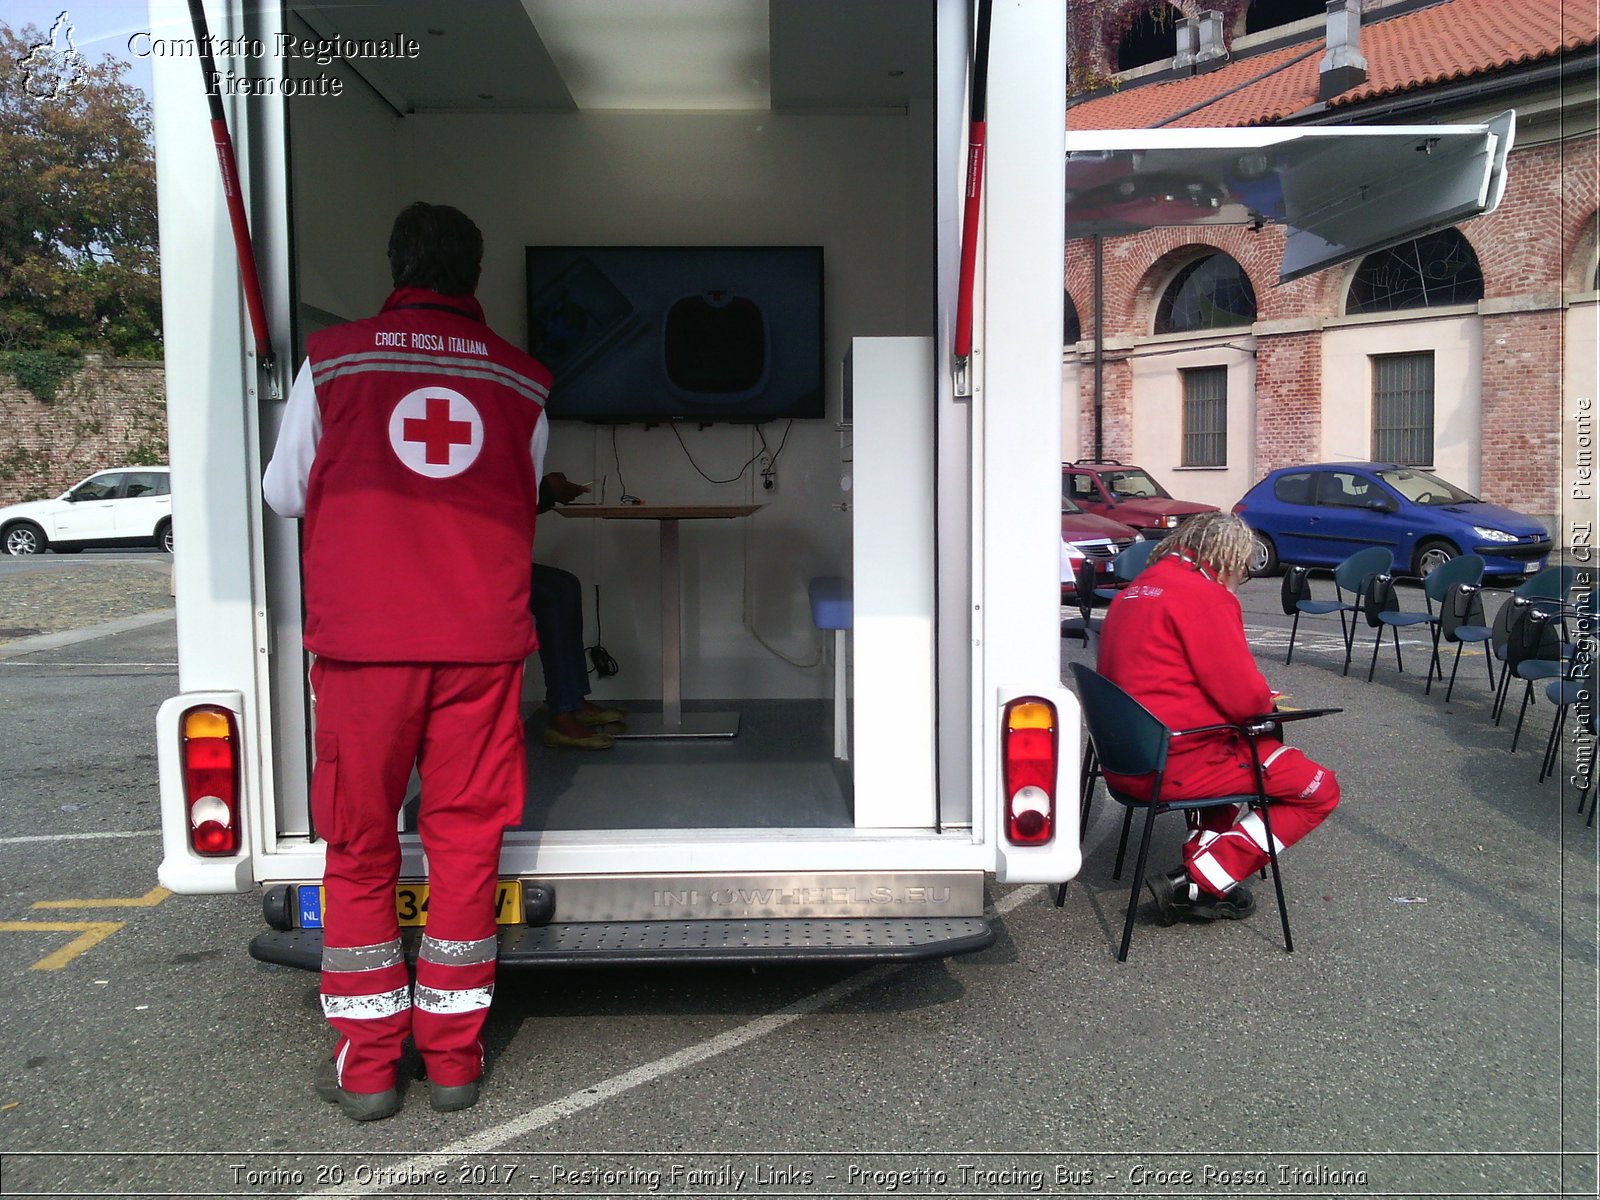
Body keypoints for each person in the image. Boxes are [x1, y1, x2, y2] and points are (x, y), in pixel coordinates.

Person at [262, 201, 549, 1121]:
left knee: (359, 847)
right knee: (467, 844)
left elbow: (283, 490)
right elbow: (526, 490)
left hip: (366, 649)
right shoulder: (523, 380)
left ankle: (370, 1069)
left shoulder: (336, 357)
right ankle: (455, 1062)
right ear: (474, 274)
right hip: (479, 648)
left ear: (395, 264)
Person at [1095, 512, 1340, 925]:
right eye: (1243, 569)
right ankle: (1197, 879)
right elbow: (1245, 701)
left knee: (1241, 750)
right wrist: (1264, 701)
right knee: (1319, 789)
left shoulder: (1137, 590)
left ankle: (1206, 865)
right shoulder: (1203, 595)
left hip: (1125, 757)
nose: (1240, 578)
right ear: (1228, 558)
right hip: (1177, 759)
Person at [531, 472, 625, 749]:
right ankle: (562, 714)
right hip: (472, 566)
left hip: (491, 559)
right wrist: (546, 490)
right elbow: (497, 499)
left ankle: (574, 700)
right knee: (554, 594)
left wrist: (547, 492)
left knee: (566, 585)